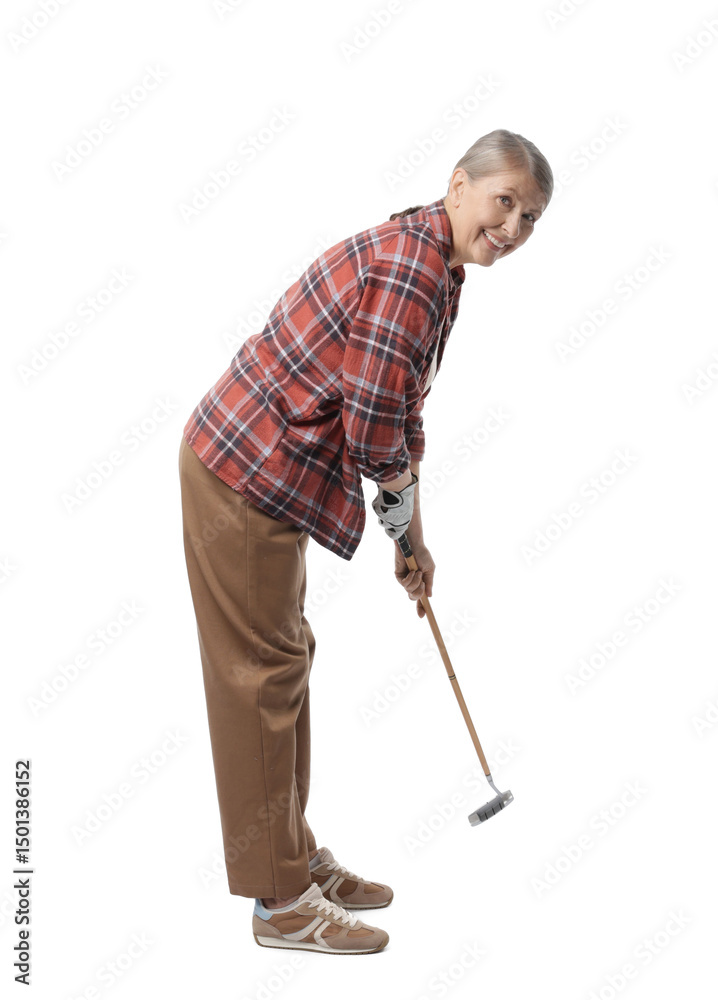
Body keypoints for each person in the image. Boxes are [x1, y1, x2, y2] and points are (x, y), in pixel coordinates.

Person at [178, 128, 553, 955]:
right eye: (505, 203)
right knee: (261, 677)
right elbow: (375, 422)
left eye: (531, 217)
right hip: (245, 468)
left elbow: (400, 409)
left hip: (268, 472)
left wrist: (411, 539)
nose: (513, 228)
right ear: (459, 185)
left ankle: (291, 855)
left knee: (284, 659)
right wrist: (404, 527)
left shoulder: (439, 264)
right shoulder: (415, 269)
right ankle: (280, 902)